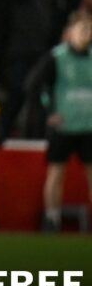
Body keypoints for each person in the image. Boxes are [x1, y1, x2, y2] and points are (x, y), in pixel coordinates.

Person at [24, 13, 92, 232]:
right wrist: (47, 113)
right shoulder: (56, 57)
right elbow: (33, 85)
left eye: (89, 30)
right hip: (63, 126)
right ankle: (52, 219)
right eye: (82, 29)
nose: (86, 34)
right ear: (70, 32)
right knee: (56, 173)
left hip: (89, 126)